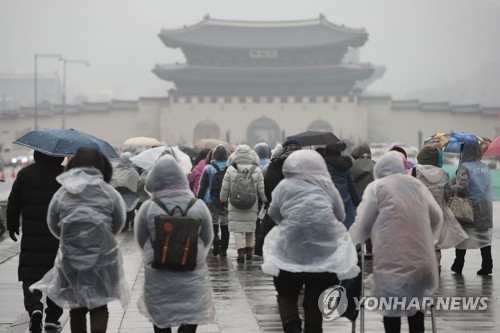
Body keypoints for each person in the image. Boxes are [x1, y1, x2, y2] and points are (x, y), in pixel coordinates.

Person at [29, 147, 129, 333]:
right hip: (103, 259)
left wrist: (70, 237)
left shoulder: (62, 194)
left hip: (71, 258)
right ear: (102, 167)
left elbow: (53, 224)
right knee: (99, 306)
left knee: (77, 307)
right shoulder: (110, 193)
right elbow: (119, 223)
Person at [262, 149, 359, 333]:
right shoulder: (327, 185)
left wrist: (289, 224)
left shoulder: (284, 186)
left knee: (286, 293)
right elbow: (340, 214)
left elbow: (273, 213)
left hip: (292, 247)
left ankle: (292, 325)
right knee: (315, 297)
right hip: (322, 249)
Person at [349, 151, 443, 333]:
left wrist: (347, 243)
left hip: (391, 259)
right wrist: (426, 238)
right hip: (421, 259)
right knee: (416, 309)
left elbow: (362, 226)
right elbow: (437, 216)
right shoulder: (417, 186)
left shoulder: (377, 188)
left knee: (391, 310)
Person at [135, 154, 215, 333]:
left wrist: (153, 252)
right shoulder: (198, 205)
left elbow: (140, 238)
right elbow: (208, 237)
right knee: (190, 313)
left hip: (158, 271)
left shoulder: (148, 207)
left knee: (160, 315)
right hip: (190, 269)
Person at [6, 151, 65, 333]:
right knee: (57, 276)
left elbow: (13, 203)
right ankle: (52, 318)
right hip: (57, 235)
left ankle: (35, 309)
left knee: (30, 274)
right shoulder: (65, 175)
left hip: (32, 235)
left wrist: (12, 225)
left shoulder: (25, 174)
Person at [451, 142, 493, 275]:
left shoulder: (464, 167)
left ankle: (458, 264)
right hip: (486, 206)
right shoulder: (485, 167)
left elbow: (462, 189)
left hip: (469, 207)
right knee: (484, 236)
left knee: (462, 234)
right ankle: (487, 265)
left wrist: (451, 188)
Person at [220, 144, 268, 263]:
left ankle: (240, 252)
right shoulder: (256, 169)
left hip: (234, 203)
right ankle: (249, 251)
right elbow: (262, 188)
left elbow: (225, 188)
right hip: (252, 204)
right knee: (250, 228)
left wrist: (222, 200)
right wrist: (265, 200)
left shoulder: (231, 169)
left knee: (237, 229)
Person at [412, 146, 452, 273]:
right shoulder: (443, 174)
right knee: (436, 242)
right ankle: (436, 263)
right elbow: (448, 194)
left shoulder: (414, 171)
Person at [197, 144, 230, 257]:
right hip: (226, 199)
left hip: (211, 199)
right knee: (225, 223)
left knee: (213, 221)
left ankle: (215, 240)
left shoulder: (208, 168)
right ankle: (224, 249)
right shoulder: (230, 167)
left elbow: (202, 186)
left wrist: (199, 199)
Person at [324, 141, 361, 230]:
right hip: (346, 207)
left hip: (327, 206)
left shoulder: (322, 167)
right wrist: (359, 204)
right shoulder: (345, 167)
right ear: (339, 151)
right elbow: (352, 189)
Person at [110, 152, 140, 231]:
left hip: (118, 196)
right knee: (130, 209)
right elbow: (137, 184)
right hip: (130, 196)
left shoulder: (115, 170)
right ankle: (129, 222)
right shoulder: (133, 171)